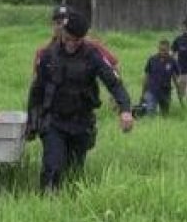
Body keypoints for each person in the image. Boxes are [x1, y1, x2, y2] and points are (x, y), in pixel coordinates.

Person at [25, 10, 133, 192]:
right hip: (54, 121)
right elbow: (36, 91)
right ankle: (47, 204)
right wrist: (31, 122)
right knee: (53, 166)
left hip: (81, 121)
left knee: (74, 171)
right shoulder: (47, 55)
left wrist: (125, 110)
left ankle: (70, 203)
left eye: (77, 40)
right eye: (68, 38)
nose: (71, 44)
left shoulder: (93, 55)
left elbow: (114, 83)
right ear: (63, 33)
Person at [33, 5, 119, 73]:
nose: (61, 27)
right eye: (58, 23)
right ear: (52, 25)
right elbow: (36, 81)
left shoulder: (92, 46)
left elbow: (113, 65)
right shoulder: (43, 51)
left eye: (65, 23)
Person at [141, 39, 181, 116]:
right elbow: (146, 76)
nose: (162, 52)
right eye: (160, 50)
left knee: (165, 114)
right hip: (152, 90)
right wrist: (143, 92)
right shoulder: (152, 60)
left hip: (165, 91)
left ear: (169, 49)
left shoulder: (172, 61)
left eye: (164, 50)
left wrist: (178, 91)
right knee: (150, 112)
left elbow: (176, 77)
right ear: (158, 49)